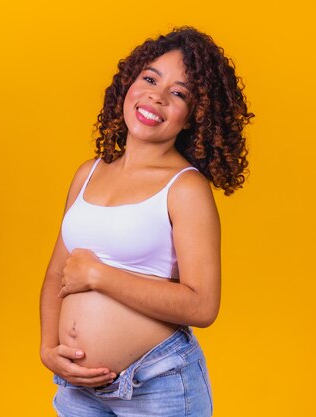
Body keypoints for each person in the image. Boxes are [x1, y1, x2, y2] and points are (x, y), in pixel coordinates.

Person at [39, 26, 253, 417]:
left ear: (193, 117)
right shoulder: (87, 173)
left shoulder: (185, 189)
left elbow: (203, 306)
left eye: (179, 93)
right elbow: (57, 275)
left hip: (157, 386)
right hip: (77, 390)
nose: (157, 94)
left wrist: (100, 277)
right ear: (129, 84)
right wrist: (48, 347)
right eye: (150, 78)